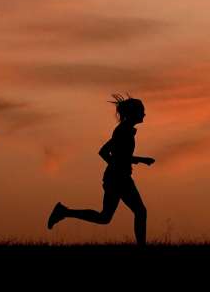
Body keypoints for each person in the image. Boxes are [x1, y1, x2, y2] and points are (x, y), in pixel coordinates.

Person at [48, 94, 154, 245]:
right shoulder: (123, 131)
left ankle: (64, 211)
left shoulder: (124, 130)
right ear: (133, 113)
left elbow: (110, 153)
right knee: (140, 212)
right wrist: (128, 164)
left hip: (116, 177)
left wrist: (122, 164)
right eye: (141, 111)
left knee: (105, 217)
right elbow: (109, 154)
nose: (144, 114)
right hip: (119, 178)